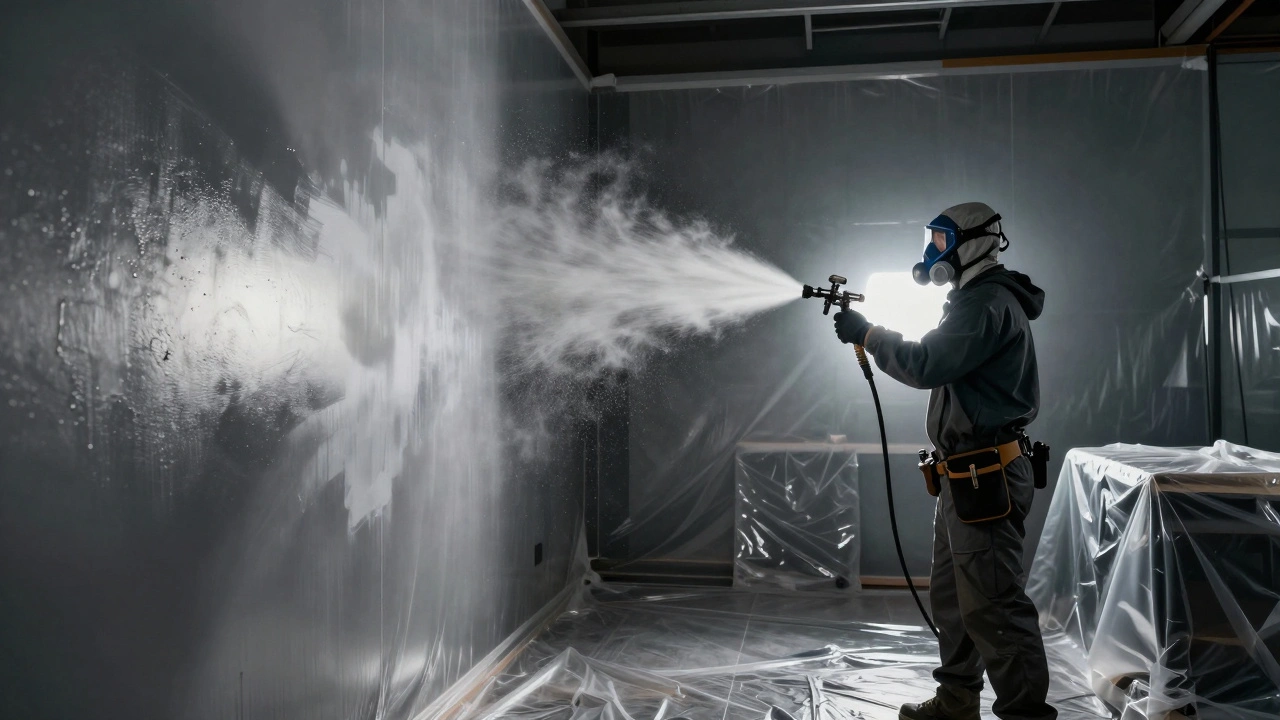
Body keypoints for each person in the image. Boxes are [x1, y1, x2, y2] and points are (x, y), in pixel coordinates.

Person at [832, 202, 1055, 720]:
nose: (932, 252)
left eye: (941, 241)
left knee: (994, 605)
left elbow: (927, 363)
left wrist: (870, 335)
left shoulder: (986, 303)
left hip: (987, 477)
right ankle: (956, 702)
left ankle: (1026, 715)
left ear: (973, 243)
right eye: (931, 240)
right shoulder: (972, 300)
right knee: (954, 598)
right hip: (965, 479)